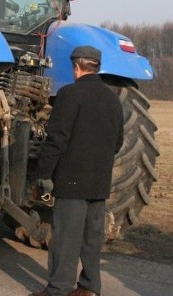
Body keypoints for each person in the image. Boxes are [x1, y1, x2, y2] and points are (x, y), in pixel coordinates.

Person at [31, 45, 124, 296]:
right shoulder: (113, 99)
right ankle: (90, 286)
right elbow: (118, 142)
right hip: (99, 182)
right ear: (97, 66)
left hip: (72, 180)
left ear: (76, 67)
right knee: (92, 239)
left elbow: (56, 140)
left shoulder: (70, 94)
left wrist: (44, 174)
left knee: (65, 239)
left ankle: (58, 288)